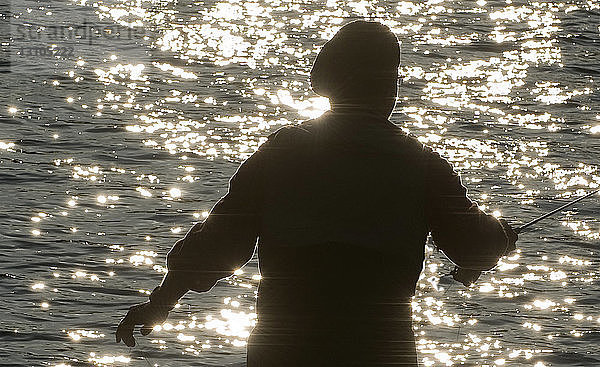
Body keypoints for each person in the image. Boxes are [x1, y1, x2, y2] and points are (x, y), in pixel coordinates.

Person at [116, 21, 518, 366]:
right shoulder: (423, 164)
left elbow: (216, 245)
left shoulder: (283, 151)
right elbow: (475, 248)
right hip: (378, 348)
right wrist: (500, 235)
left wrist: (160, 305)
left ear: (330, 81)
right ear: (390, 86)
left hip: (284, 345)